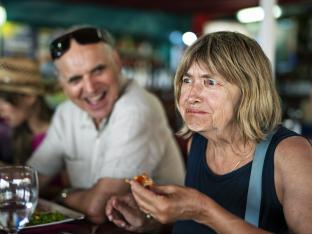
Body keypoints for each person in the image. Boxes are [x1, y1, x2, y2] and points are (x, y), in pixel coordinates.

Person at [106, 31, 312, 233]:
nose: (191, 96)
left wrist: (203, 210)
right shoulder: (198, 142)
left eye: (210, 82)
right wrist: (149, 220)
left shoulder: (290, 153)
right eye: (187, 80)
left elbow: (201, 215)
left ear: (249, 91)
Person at [27, 25, 185, 224]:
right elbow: (29, 182)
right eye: (75, 79)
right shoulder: (66, 113)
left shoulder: (137, 107)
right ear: (62, 83)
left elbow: (98, 208)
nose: (91, 88)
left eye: (98, 70)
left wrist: (60, 196)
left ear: (117, 62)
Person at [0, 57, 54, 164]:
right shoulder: (14, 131)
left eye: (4, 101)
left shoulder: (61, 136)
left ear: (29, 97)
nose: (0, 109)